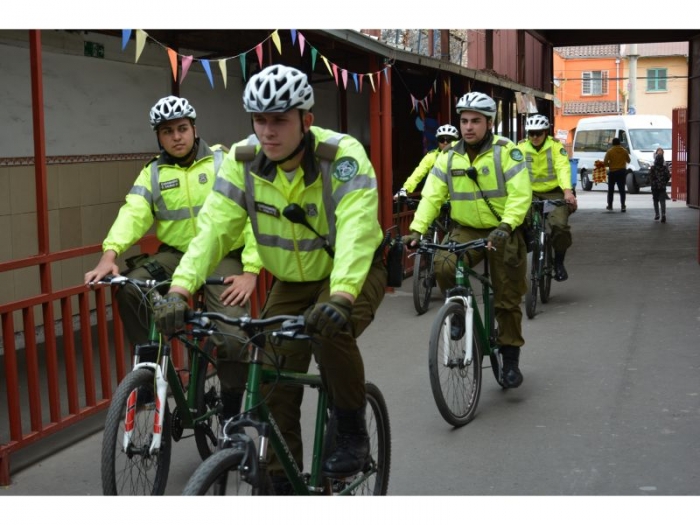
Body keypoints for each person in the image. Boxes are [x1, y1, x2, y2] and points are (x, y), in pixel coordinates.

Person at [152, 64, 387, 488]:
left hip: (352, 273)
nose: (268, 131)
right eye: (260, 120)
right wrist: (180, 288)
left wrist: (342, 297)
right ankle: (284, 482)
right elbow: (213, 228)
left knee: (330, 332)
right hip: (292, 282)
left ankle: (352, 427)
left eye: (280, 119)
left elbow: (355, 230)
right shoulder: (241, 162)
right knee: (274, 380)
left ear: (306, 121)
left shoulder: (342, 157)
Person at [84, 95, 262, 419]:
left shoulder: (224, 162)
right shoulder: (153, 172)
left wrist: (251, 269)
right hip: (176, 256)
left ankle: (232, 408)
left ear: (195, 129)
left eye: (182, 128)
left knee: (233, 336)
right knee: (130, 287)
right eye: (167, 131)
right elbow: (133, 213)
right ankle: (152, 370)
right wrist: (109, 255)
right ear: (158, 137)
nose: (176, 136)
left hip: (223, 256)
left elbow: (252, 215)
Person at [402, 91, 532, 388]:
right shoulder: (448, 157)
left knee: (508, 300)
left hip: (504, 230)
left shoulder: (507, 151)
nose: (469, 127)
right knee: (443, 264)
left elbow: (521, 194)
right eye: (464, 121)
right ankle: (459, 311)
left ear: (489, 123)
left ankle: (510, 359)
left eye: (475, 121)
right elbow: (432, 195)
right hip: (467, 228)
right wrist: (417, 229)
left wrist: (507, 225)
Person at [518, 114, 577, 281]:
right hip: (529, 193)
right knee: (517, 222)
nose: (534, 137)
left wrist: (567, 191)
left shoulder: (556, 148)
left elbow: (562, 168)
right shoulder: (520, 148)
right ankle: (527, 255)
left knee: (560, 226)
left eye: (538, 133)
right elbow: (512, 169)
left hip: (554, 192)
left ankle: (558, 262)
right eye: (531, 133)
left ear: (545, 132)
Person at [393, 124, 460, 200]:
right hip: (436, 201)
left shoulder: (463, 157)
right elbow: (418, 173)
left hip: (457, 202)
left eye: (449, 140)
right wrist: (405, 189)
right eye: (441, 139)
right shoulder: (431, 156)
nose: (445, 142)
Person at [604, 137, 630, 212]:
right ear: (619, 143)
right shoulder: (624, 151)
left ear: (613, 143)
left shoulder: (610, 151)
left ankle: (610, 205)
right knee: (622, 190)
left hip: (612, 172)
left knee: (611, 190)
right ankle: (623, 206)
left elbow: (605, 162)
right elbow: (629, 160)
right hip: (622, 172)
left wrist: (611, 164)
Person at [649, 147, 671, 222]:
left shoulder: (653, 168)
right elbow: (668, 176)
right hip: (662, 186)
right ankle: (663, 214)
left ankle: (657, 214)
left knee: (655, 200)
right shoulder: (664, 168)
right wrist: (664, 181)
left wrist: (652, 183)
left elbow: (651, 177)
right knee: (662, 201)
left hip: (655, 187)